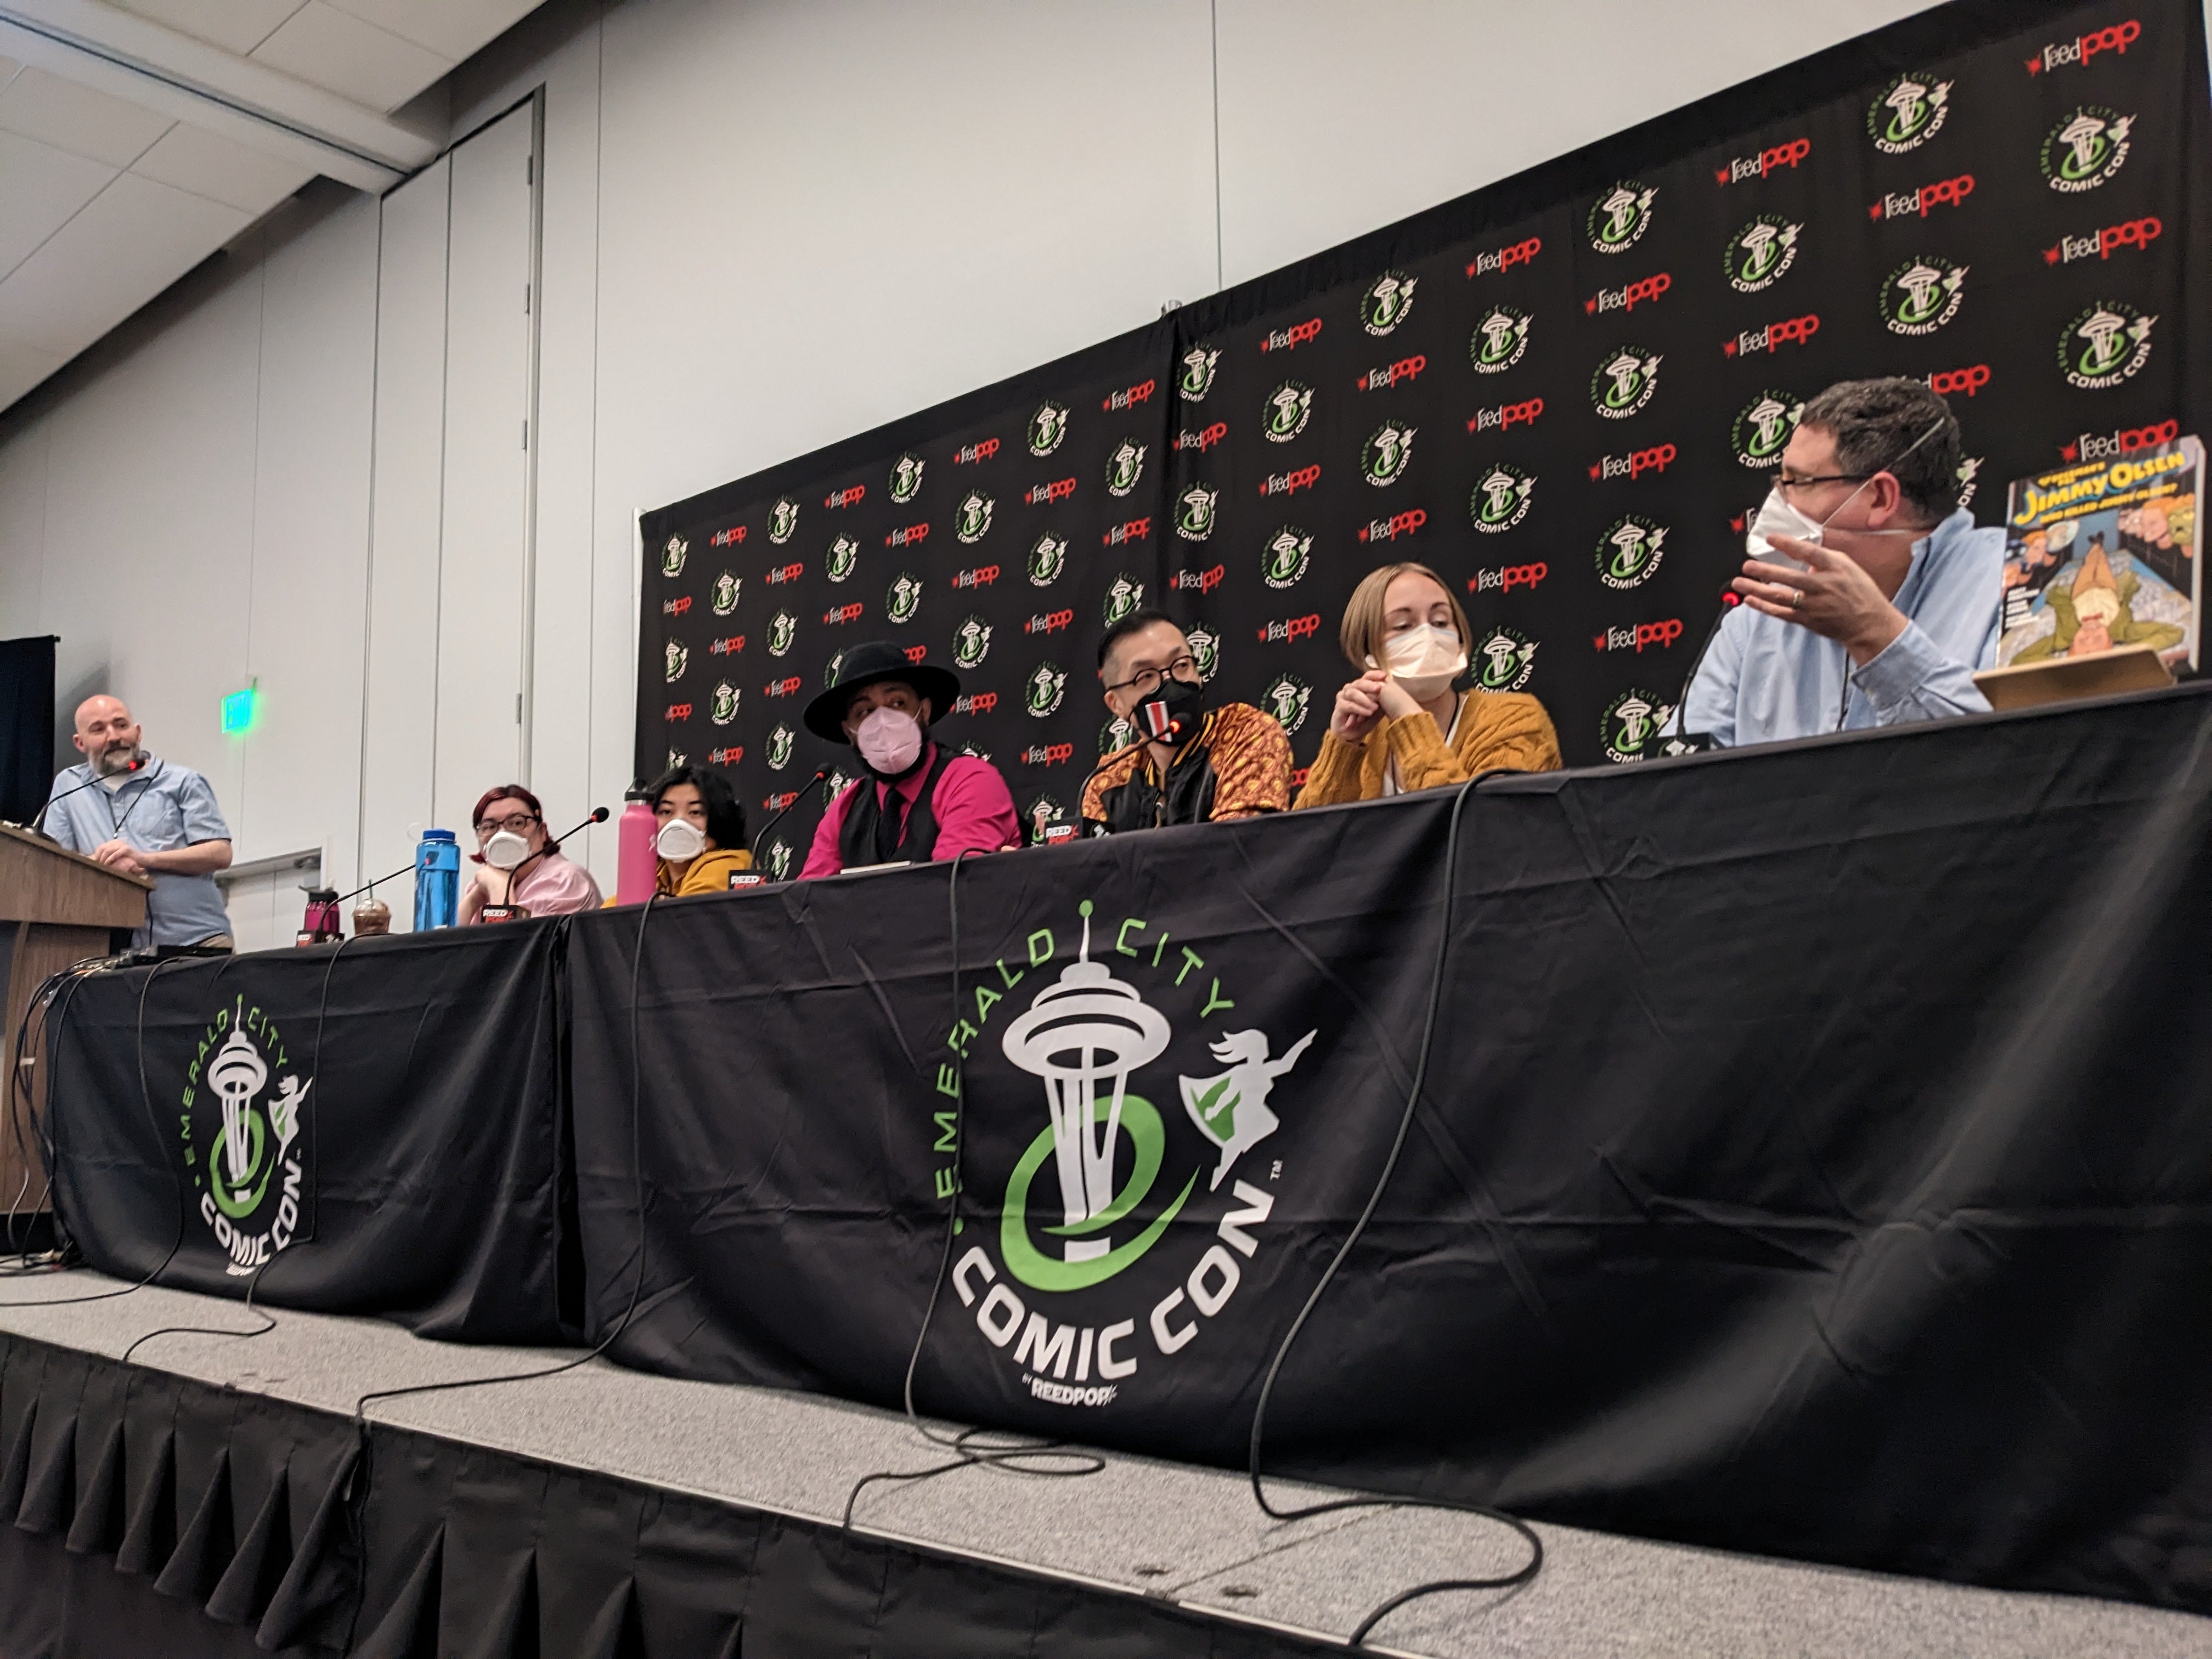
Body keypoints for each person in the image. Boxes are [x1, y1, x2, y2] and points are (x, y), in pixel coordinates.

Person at [1681, 377, 2003, 746]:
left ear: (1881, 498)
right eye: (1781, 480)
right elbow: (1688, 784)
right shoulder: (1756, 619)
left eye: (1799, 482)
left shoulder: (2014, 582)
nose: (1776, 501)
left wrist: (1876, 637)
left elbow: (2021, 759)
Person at [1294, 562, 1560, 808]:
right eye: (1403, 625)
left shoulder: (1515, 718)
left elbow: (1488, 833)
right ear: (1369, 651)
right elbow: (1306, 844)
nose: (1428, 634)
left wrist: (1408, 718)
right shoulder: (1368, 740)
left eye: (1441, 622)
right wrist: (1344, 747)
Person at [799, 640, 1019, 877]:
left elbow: (952, 887)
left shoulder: (970, 781)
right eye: (865, 712)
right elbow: (810, 900)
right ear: (849, 731)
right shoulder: (845, 807)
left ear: (923, 711)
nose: (883, 721)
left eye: (897, 703)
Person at [38, 694, 234, 949]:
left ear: (138, 732)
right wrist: (103, 868)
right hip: (108, 950)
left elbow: (220, 853)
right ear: (80, 742)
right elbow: (54, 868)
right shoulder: (69, 787)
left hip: (196, 940)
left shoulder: (183, 781)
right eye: (98, 730)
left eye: (121, 725)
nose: (113, 736)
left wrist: (143, 859)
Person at [1082, 610, 1291, 833]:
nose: (1170, 683)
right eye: (1146, 677)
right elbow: (1092, 864)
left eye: (1181, 665)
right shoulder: (1110, 778)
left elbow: (1235, 850)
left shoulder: (1246, 734)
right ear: (1116, 704)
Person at [457, 785, 602, 922]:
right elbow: (449, 944)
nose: (502, 835)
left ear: (542, 832)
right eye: (489, 827)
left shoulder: (567, 880)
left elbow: (517, 945)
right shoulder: (484, 882)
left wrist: (498, 888)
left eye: (517, 823)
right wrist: (472, 901)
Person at [647, 765, 753, 895]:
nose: (679, 822)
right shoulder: (656, 872)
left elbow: (680, 913)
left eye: (695, 812)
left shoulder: (730, 865)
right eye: (666, 811)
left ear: (719, 818)